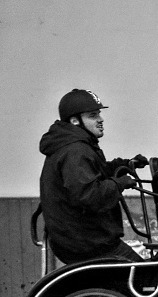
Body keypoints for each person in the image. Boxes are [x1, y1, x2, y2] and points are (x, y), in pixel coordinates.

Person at [39, 89, 149, 265]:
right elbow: (89, 195)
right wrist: (119, 184)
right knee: (146, 278)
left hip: (80, 240)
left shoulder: (74, 146)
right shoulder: (75, 151)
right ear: (75, 121)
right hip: (88, 243)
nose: (101, 119)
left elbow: (94, 173)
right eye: (93, 115)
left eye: (99, 114)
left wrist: (125, 165)